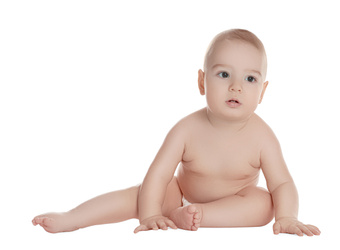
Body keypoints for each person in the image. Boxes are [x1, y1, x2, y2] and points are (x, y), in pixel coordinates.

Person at [32, 29, 320, 236]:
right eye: (223, 74)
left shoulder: (263, 137)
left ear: (263, 91)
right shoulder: (186, 129)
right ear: (201, 81)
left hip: (235, 201)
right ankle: (74, 217)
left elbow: (282, 183)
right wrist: (150, 214)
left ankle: (198, 217)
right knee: (144, 193)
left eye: (249, 78)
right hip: (180, 195)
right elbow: (158, 174)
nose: (236, 86)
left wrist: (287, 216)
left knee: (264, 203)